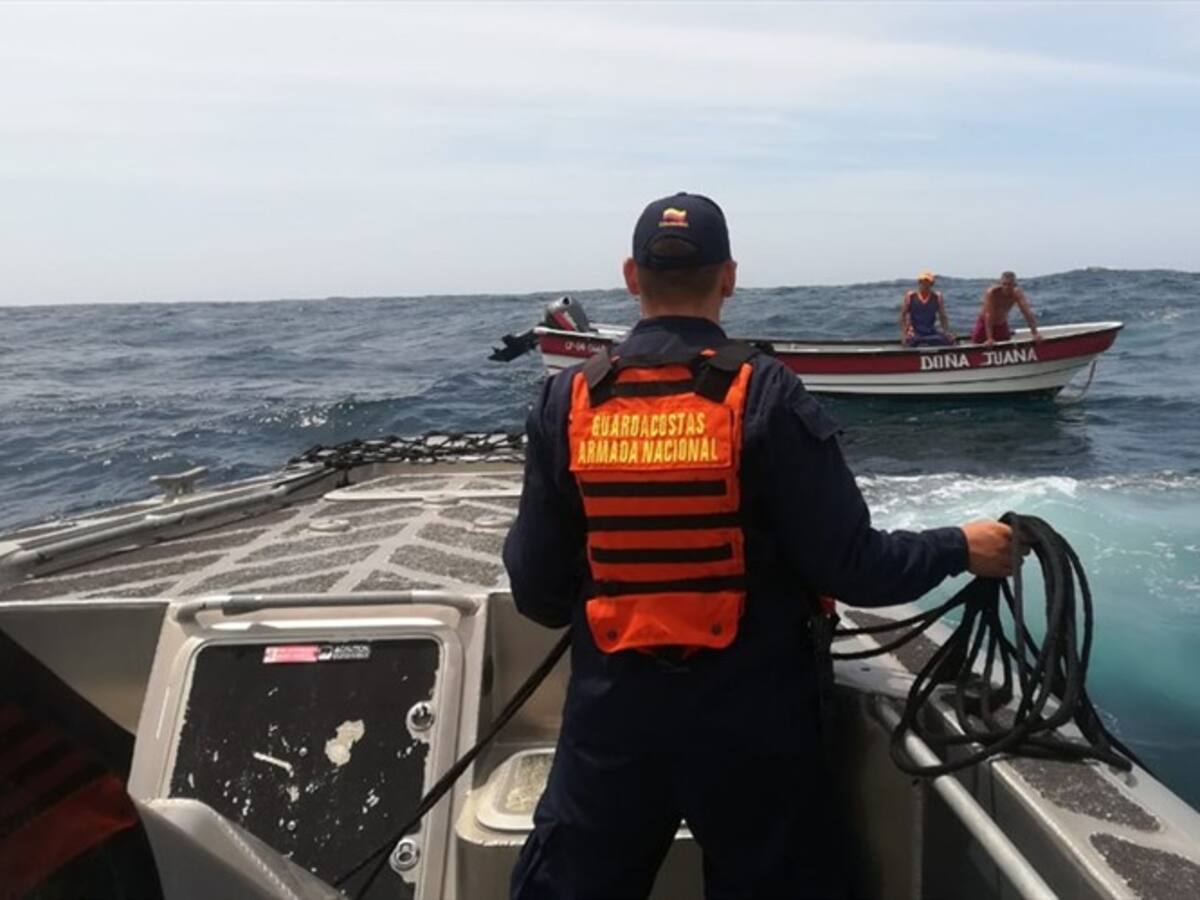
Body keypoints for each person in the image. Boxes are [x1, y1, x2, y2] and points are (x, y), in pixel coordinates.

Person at [503, 191, 1014, 900]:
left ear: (630, 276)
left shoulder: (568, 400)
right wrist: (960, 546)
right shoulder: (767, 393)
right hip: (753, 723)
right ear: (730, 277)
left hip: (611, 721)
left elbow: (536, 590)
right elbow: (853, 567)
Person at [972, 271, 1042, 345]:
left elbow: (1027, 313)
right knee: (977, 343)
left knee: (1006, 343)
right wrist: (989, 338)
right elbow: (988, 315)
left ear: (1014, 284)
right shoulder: (993, 293)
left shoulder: (1017, 294)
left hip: (1001, 324)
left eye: (1010, 284)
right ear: (1000, 283)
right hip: (985, 324)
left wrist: (1035, 333)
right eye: (1004, 284)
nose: (1007, 287)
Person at [900, 270, 955, 346]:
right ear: (919, 282)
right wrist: (904, 334)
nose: (925, 285)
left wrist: (946, 332)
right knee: (911, 341)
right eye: (922, 282)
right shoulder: (911, 296)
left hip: (930, 332)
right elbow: (903, 316)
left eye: (927, 282)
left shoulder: (937, 297)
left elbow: (942, 316)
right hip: (915, 333)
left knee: (949, 340)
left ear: (931, 284)